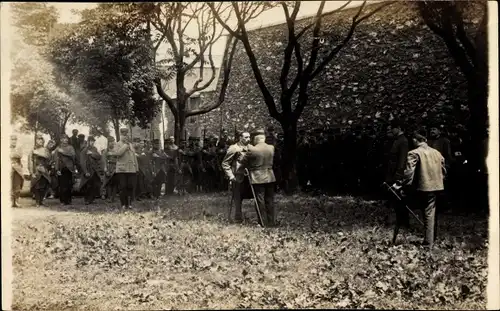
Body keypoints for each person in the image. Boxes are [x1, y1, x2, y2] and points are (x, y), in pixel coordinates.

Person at [394, 129, 446, 247]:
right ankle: (430, 240)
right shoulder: (437, 153)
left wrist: (402, 185)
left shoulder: (414, 153)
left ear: (415, 140)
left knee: (401, 203)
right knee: (430, 213)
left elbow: (408, 174)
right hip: (436, 187)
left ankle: (426, 242)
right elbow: (443, 171)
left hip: (421, 189)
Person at [240, 129, 277, 227]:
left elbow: (243, 161)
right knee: (269, 200)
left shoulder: (252, 149)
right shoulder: (271, 148)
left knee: (259, 200)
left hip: (258, 177)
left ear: (255, 139)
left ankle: (262, 222)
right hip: (270, 176)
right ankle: (271, 221)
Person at [385, 120, 410, 228]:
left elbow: (402, 159)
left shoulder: (403, 141)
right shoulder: (396, 140)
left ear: (398, 128)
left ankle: (403, 222)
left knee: (400, 198)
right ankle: (398, 220)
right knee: (394, 199)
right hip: (392, 173)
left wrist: (399, 176)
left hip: (397, 174)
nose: (391, 130)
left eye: (392, 128)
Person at [221, 131, 251, 223]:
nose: (248, 139)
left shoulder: (251, 148)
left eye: (249, 137)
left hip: (249, 177)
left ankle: (248, 217)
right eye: (246, 137)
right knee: (237, 198)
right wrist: (230, 175)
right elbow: (225, 163)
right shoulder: (233, 148)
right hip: (237, 177)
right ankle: (238, 218)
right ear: (240, 138)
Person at [112, 128, 139, 209]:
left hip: (131, 169)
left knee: (130, 186)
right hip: (122, 170)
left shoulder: (130, 144)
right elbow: (118, 153)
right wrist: (125, 145)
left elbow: (134, 157)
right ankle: (123, 204)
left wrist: (136, 168)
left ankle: (130, 204)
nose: (125, 136)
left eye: (126, 134)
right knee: (122, 186)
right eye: (123, 134)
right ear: (120, 135)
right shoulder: (117, 144)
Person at [28, 134, 52, 207]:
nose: (40, 141)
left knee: (44, 185)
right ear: (36, 141)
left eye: (41, 139)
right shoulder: (33, 150)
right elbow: (30, 161)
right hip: (36, 170)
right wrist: (31, 172)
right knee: (36, 186)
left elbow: (49, 158)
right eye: (38, 139)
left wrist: (40, 154)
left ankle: (41, 201)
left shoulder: (45, 150)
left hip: (44, 170)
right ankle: (37, 202)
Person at [54, 134, 77, 205]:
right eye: (64, 138)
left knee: (69, 185)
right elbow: (56, 159)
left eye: (66, 138)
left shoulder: (70, 147)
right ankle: (63, 201)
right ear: (61, 140)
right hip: (61, 168)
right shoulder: (57, 148)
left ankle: (68, 200)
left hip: (69, 168)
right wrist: (57, 169)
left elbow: (73, 155)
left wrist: (63, 152)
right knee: (62, 185)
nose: (66, 140)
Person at [79, 136, 103, 205]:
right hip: (88, 170)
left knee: (95, 185)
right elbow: (82, 162)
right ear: (88, 142)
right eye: (91, 141)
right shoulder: (84, 150)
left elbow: (99, 156)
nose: (92, 142)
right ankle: (87, 199)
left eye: (93, 141)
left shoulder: (94, 149)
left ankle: (92, 199)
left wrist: (92, 154)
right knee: (87, 185)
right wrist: (85, 171)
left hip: (94, 170)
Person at [102, 137, 118, 203]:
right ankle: (109, 197)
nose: (112, 143)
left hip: (115, 168)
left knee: (115, 183)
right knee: (108, 183)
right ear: (108, 143)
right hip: (109, 167)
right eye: (110, 142)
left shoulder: (116, 151)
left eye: (113, 142)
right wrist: (105, 168)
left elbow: (118, 159)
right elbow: (104, 160)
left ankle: (113, 198)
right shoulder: (106, 151)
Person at [11, 135, 24, 208]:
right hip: (8, 168)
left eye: (15, 140)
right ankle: (10, 201)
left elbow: (19, 155)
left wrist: (12, 154)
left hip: (17, 169)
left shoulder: (18, 148)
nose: (14, 141)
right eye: (12, 140)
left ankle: (16, 201)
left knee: (17, 185)